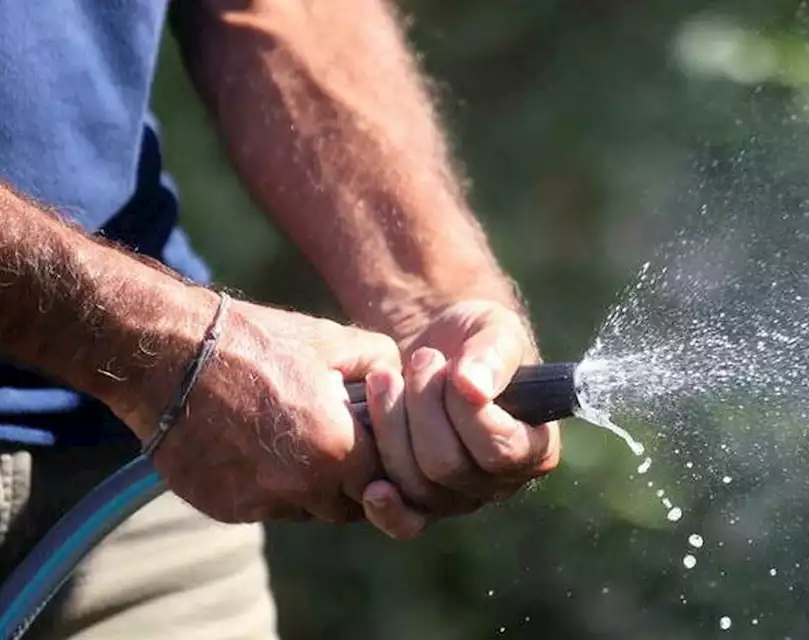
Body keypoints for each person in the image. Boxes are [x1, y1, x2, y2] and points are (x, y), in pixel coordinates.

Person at [0, 0, 562, 637]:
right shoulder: (164, 364)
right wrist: (157, 348)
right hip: (150, 400)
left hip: (134, 484)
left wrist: (428, 303)